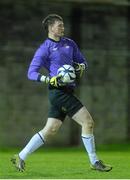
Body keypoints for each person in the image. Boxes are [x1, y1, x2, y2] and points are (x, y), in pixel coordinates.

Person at [11, 14, 112, 172]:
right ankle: (94, 161)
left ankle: (20, 156)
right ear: (51, 28)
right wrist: (48, 80)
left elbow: (82, 61)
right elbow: (31, 72)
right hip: (58, 92)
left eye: (63, 25)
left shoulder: (70, 43)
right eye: (59, 25)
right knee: (88, 122)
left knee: (51, 129)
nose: (63, 28)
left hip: (68, 90)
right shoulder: (45, 48)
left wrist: (81, 67)